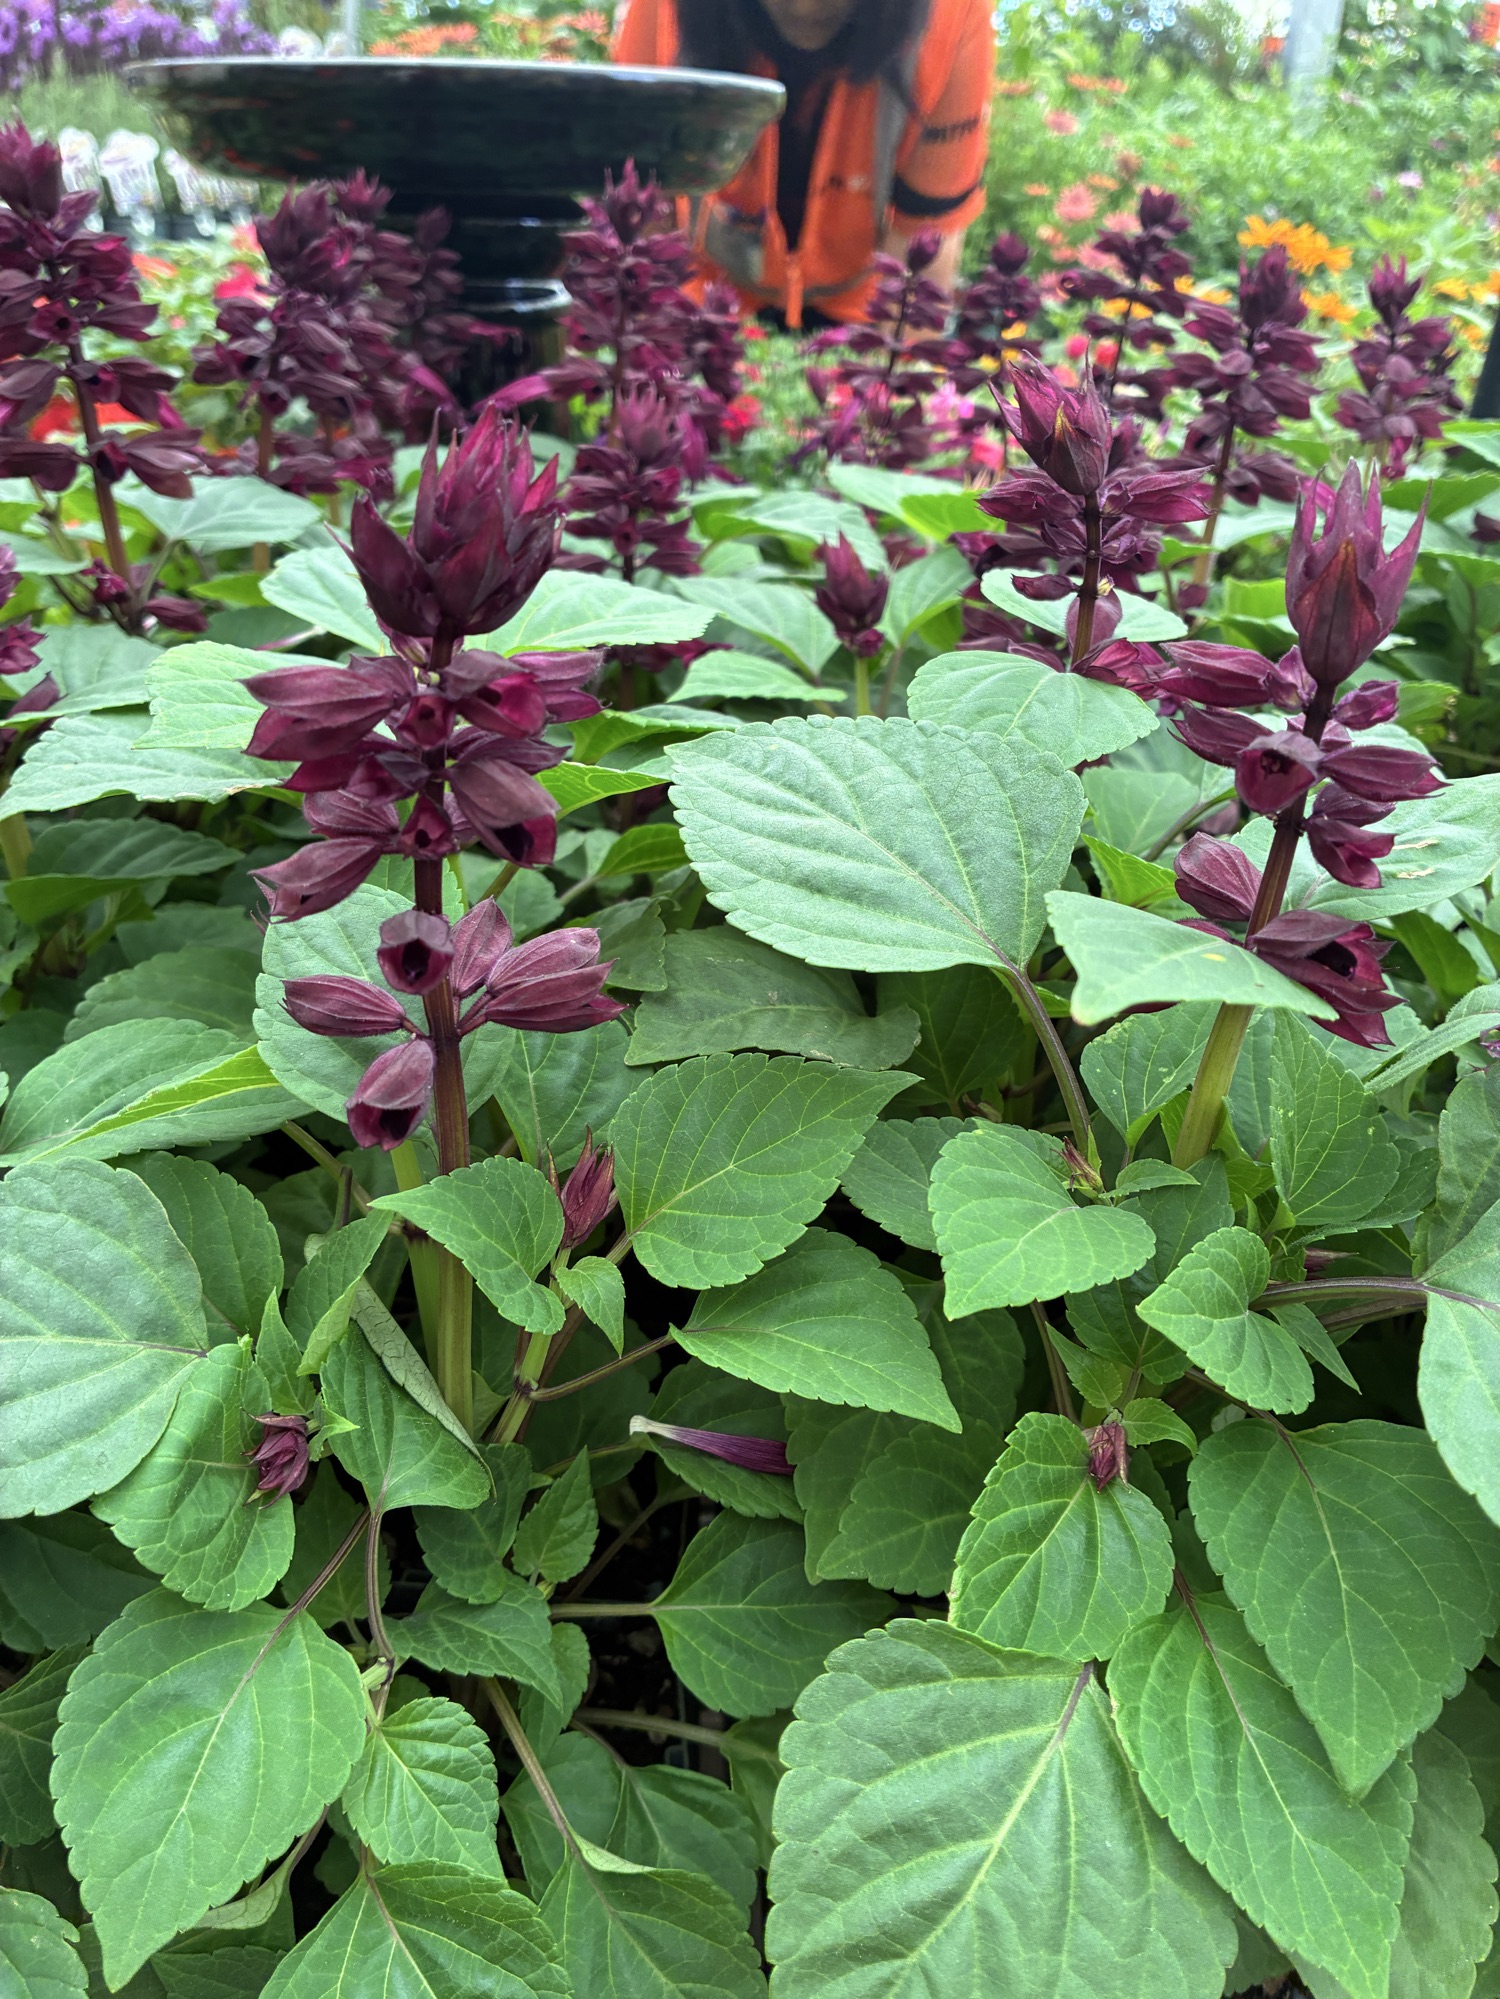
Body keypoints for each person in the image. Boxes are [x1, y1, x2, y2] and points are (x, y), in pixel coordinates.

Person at [612, 0, 994, 328]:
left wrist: (898, 377)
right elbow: (644, 219)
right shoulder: (657, 9)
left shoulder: (951, 15)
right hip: (707, 299)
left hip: (861, 310)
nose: (805, 9)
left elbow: (923, 250)